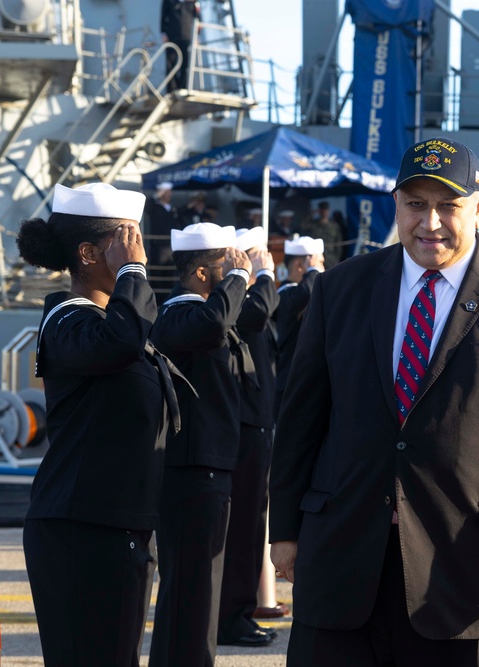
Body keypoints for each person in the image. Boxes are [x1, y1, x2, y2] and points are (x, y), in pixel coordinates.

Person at [269, 136, 479, 666]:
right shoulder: (339, 290)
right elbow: (302, 416)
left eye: (448, 206)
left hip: (469, 576)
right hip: (344, 566)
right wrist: (284, 528)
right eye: (416, 204)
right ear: (396, 205)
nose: (431, 223)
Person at [16, 183, 185, 666]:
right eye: (126, 242)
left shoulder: (109, 321)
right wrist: (132, 272)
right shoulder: (69, 321)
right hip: (81, 530)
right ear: (89, 253)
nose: (139, 253)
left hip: (115, 524)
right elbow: (122, 343)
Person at [148, 222, 263, 665]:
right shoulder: (177, 314)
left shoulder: (204, 314)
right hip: (189, 473)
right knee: (190, 589)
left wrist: (235, 280)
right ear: (201, 273)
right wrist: (239, 279)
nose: (239, 270)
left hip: (210, 468)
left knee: (201, 590)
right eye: (226, 265)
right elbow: (214, 323)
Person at [216, 226, 284, 645]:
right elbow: (256, 312)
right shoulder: (233, 296)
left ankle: (237, 612)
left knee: (250, 526)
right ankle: (230, 617)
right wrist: (260, 275)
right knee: (240, 529)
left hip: (256, 421)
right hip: (241, 426)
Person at [271, 236, 323, 413]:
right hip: (288, 382)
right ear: (301, 266)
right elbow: (306, 292)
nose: (322, 269)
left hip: (304, 380)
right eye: (318, 263)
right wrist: (314, 270)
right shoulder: (286, 295)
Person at [160, 0, 199, 91]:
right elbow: (163, 16)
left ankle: (183, 87)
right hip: (172, 37)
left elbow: (197, 19)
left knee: (185, 64)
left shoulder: (192, 3)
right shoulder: (168, 1)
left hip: (187, 37)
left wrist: (197, 36)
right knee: (170, 63)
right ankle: (172, 88)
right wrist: (163, 33)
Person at [299, 200, 344, 268]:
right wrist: (311, 215)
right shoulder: (313, 224)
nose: (324, 212)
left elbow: (338, 244)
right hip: (317, 256)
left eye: (326, 210)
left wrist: (336, 258)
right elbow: (302, 225)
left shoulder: (334, 226)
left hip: (330, 257)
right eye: (322, 210)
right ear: (319, 211)